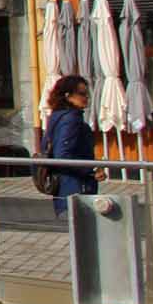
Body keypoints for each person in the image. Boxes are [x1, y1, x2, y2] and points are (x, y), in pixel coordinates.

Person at [43, 73, 104, 215]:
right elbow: (63, 155)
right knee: (81, 231)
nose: (86, 97)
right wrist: (90, 171)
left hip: (67, 185)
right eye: (82, 93)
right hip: (75, 187)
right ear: (67, 95)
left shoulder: (57, 116)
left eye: (87, 93)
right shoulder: (70, 119)